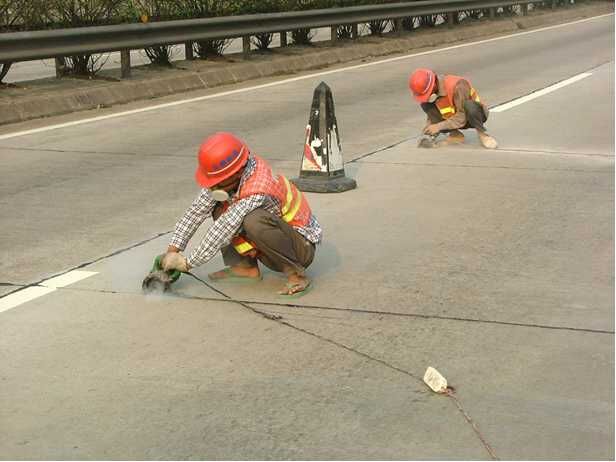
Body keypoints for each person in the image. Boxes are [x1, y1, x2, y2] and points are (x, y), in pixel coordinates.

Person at [158, 132, 322, 296]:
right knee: (218, 205)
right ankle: (245, 268)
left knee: (253, 220)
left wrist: (188, 263)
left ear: (236, 173)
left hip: (300, 247)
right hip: (278, 237)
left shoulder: (258, 187)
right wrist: (172, 252)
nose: (213, 187)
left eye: (217, 182)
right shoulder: (231, 175)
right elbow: (195, 213)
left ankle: (297, 275)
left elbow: (225, 227)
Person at [408, 68, 498, 149]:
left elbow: (463, 115)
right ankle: (456, 135)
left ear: (433, 85)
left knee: (470, 106)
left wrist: (438, 126)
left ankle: (483, 135)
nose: (428, 95)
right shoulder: (437, 90)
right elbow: (438, 109)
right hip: (454, 118)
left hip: (473, 116)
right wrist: (430, 125)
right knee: (426, 104)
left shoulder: (458, 86)